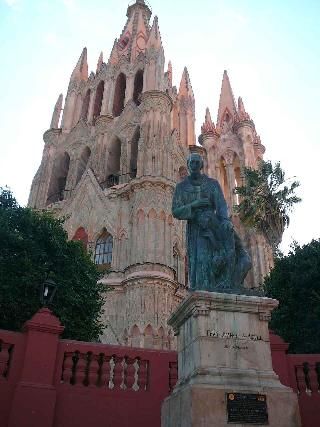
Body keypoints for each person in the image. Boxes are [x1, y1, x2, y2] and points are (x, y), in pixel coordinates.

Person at [172, 153, 251, 292]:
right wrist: (194, 204)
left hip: (213, 223)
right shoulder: (181, 187)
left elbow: (221, 204)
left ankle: (225, 283)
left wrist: (225, 221)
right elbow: (176, 211)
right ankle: (202, 291)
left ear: (201, 165)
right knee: (201, 259)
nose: (195, 165)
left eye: (197, 162)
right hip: (197, 228)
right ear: (188, 165)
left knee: (228, 253)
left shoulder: (212, 184)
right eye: (192, 162)